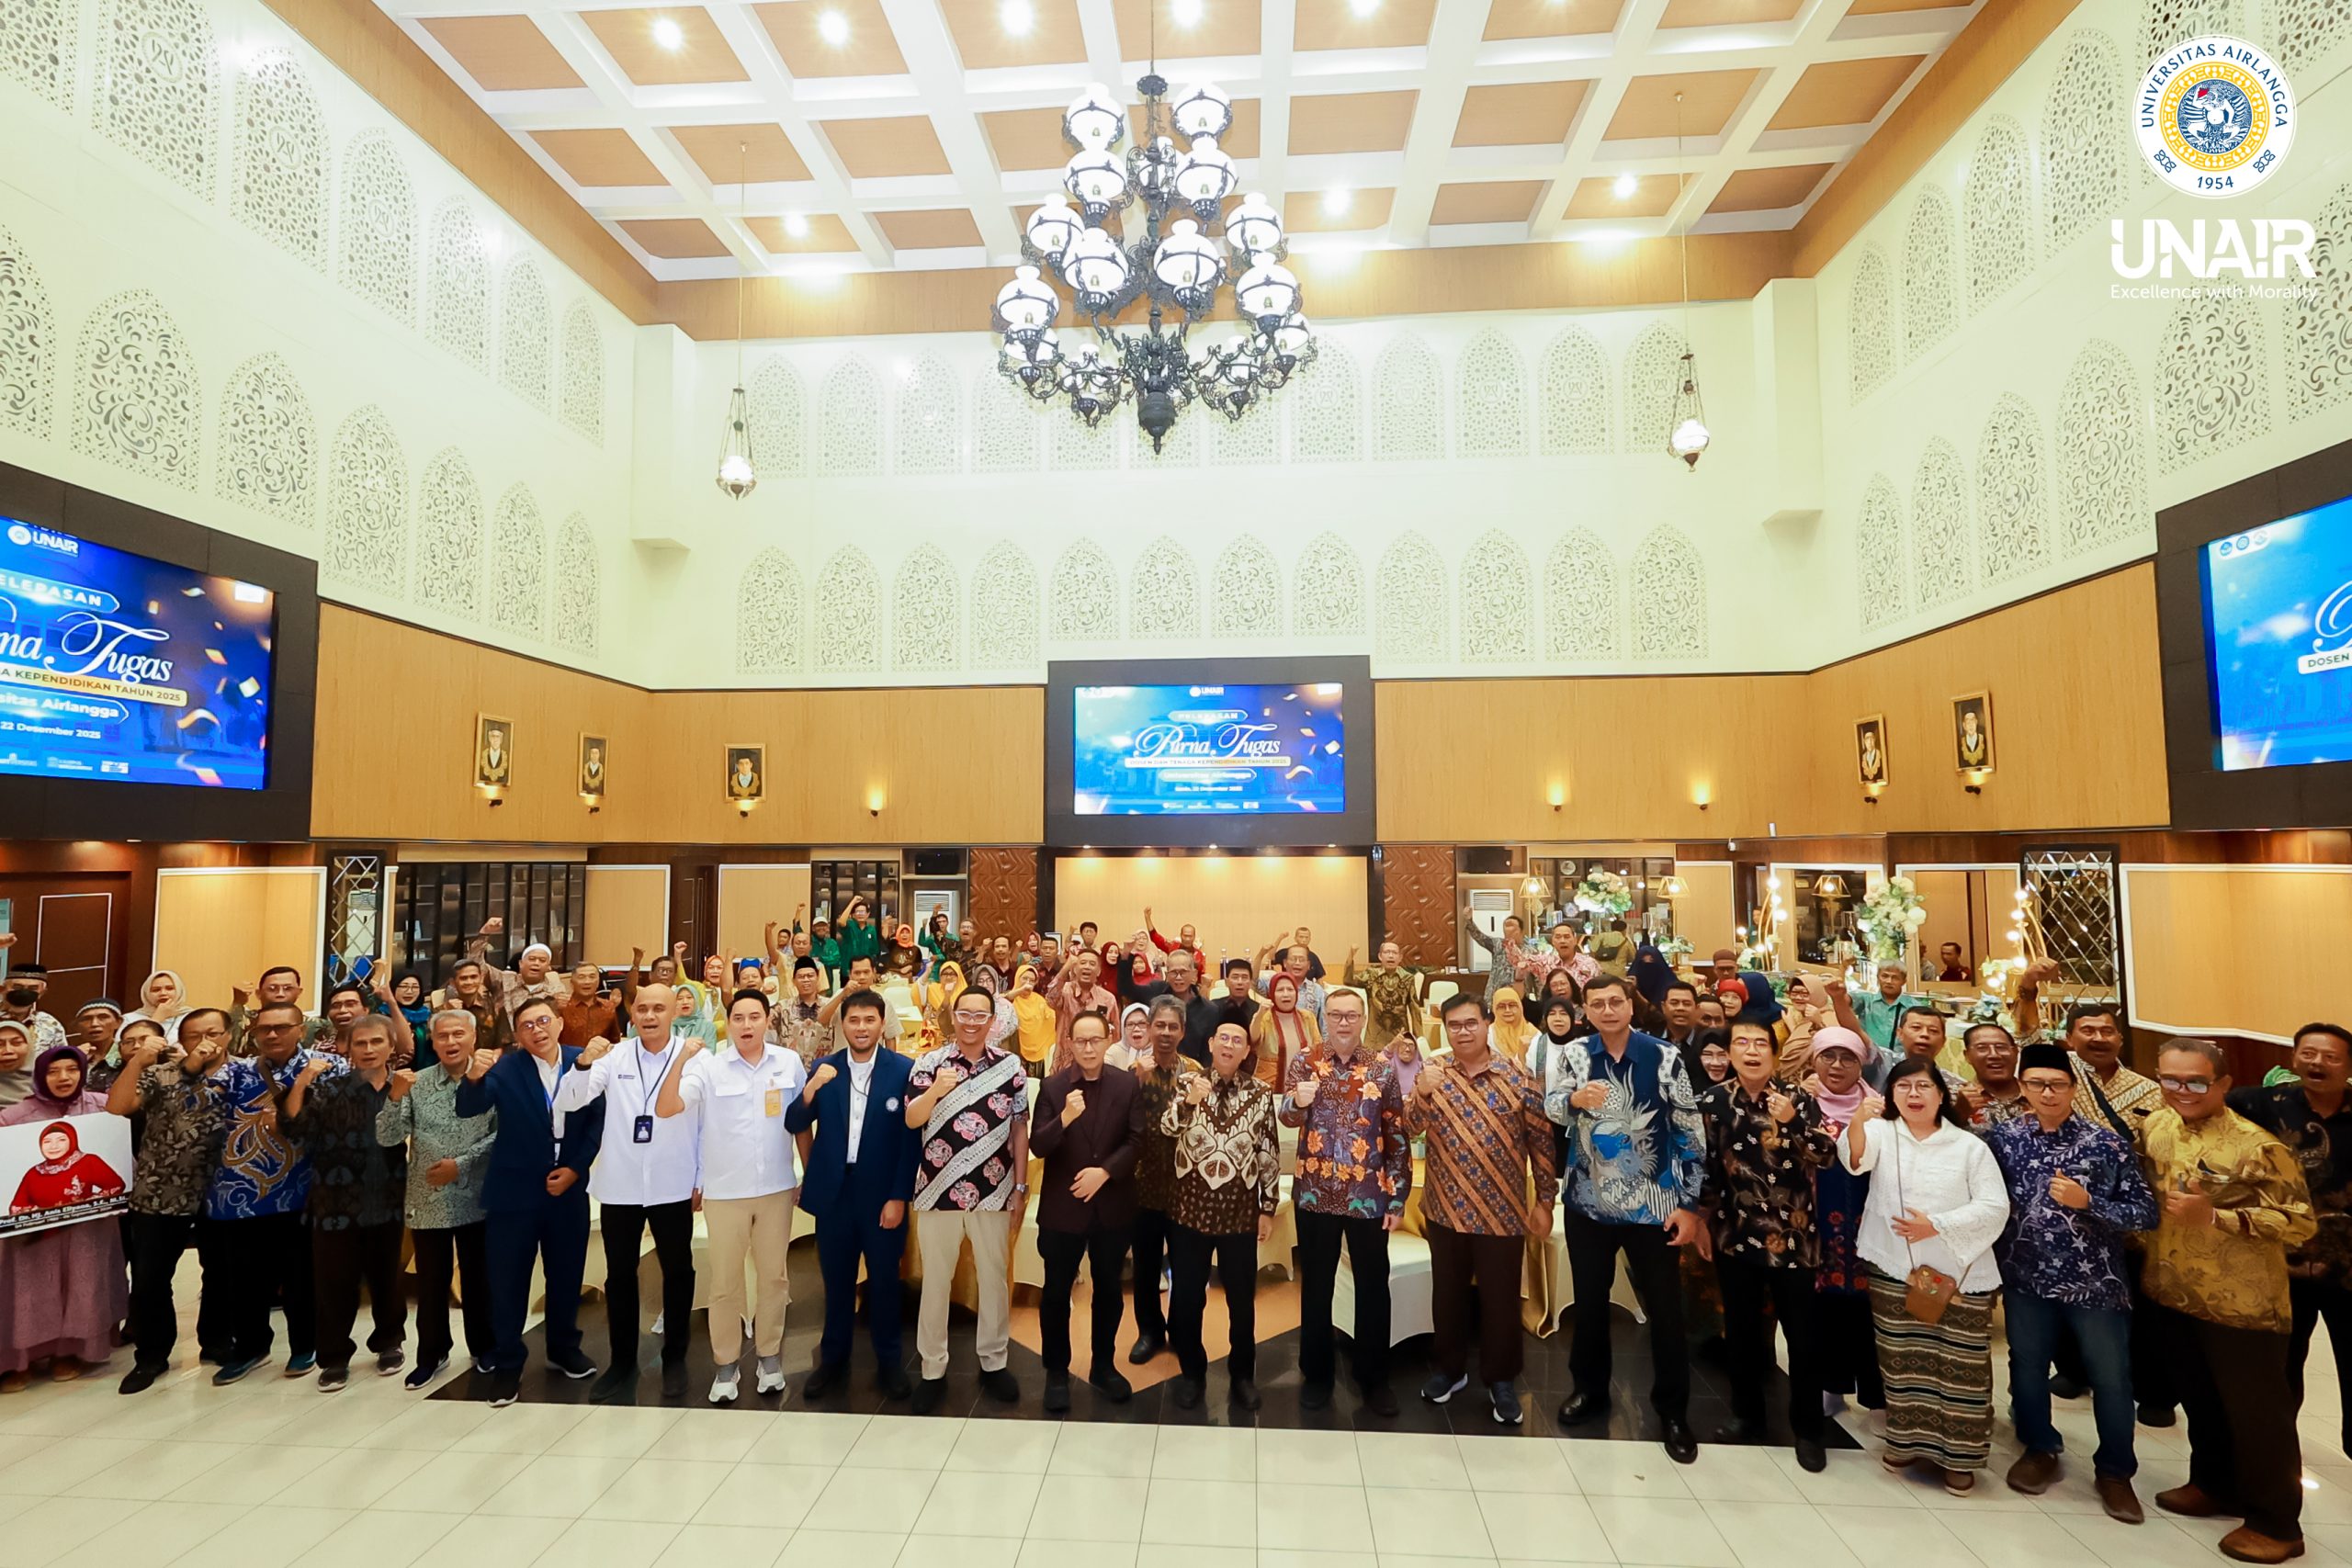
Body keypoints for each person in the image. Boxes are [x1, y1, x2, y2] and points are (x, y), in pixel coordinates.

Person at [2143, 1039, 2316, 1564]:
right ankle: (2213, 1485)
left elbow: (2300, 1223)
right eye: (2170, 1079)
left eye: (2196, 1081)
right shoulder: (2156, 1125)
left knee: (2258, 1416)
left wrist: (2218, 1217)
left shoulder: (2258, 1145)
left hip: (2243, 1303)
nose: (2182, 1090)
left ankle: (2276, 1522)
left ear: (2222, 1083)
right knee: (2202, 1401)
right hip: (2173, 1289)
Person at [1985, 1042, 2158, 1520]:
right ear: (2022, 1087)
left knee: (2111, 1378)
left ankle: (2116, 1471)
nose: (2048, 1093)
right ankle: (2039, 1447)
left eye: (2057, 1084)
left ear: (2073, 1087)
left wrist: (2090, 1204)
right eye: (2037, 1084)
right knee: (2027, 1367)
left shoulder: (2106, 1143)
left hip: (2095, 1283)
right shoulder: (2002, 1140)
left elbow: (2145, 1213)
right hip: (2025, 1277)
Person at [1546, 973, 1707, 1460]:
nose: (1608, 1010)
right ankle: (1590, 1390)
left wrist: (1689, 1205)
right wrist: (1573, 1100)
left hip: (1653, 1207)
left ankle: (1673, 1411)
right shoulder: (1575, 1054)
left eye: (1616, 1001)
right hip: (1588, 1204)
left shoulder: (1664, 1056)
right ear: (1586, 1010)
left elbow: (1689, 1131)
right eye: (1598, 1004)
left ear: (1631, 1006)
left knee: (1665, 1311)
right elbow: (1551, 1107)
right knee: (1590, 1305)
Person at [1839, 1055, 2010, 1494]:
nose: (1913, 1095)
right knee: (1901, 1362)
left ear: (1941, 1094)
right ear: (1891, 1094)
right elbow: (1855, 1160)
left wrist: (1936, 1225)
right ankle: (1905, 1443)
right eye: (1903, 1086)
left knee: (1960, 1368)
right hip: (1894, 1267)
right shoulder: (1882, 1133)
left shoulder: (1969, 1146)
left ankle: (1960, 1458)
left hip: (1958, 1274)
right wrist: (1858, 1119)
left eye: (1923, 1086)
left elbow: (1995, 1206)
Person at [1410, 991, 1557, 1426]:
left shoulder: (1517, 1076)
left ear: (1487, 1023)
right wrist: (1421, 1093)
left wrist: (1545, 1200)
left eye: (1471, 1023)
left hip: (1502, 1211)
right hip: (1445, 1208)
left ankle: (1502, 1379)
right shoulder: (1434, 1073)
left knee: (1500, 1300)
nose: (1463, 1032)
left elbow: (1541, 1143)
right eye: (1454, 1025)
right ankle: (1449, 1369)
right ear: (1445, 1029)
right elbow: (1407, 1128)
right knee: (1448, 1296)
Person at [1695, 1019, 1836, 1471]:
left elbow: (1826, 1155)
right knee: (1741, 1332)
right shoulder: (1714, 1101)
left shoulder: (1798, 1099)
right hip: (1735, 1235)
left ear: (1774, 1054)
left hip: (1795, 1239)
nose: (1752, 1051)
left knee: (1803, 1338)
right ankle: (1746, 1415)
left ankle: (1808, 1430)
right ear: (1730, 1053)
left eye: (1761, 1044)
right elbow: (1706, 1167)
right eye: (1742, 1043)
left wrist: (1793, 1122)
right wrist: (1701, 1221)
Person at [656, 988, 806, 1404]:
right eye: (738, 1018)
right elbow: (667, 1108)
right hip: (725, 1193)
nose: (746, 1025)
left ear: (767, 1020)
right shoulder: (709, 1067)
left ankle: (769, 1357)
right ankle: (725, 1363)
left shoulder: (789, 1063)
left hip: (776, 1188)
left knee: (774, 1278)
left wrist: (808, 1173)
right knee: (724, 1283)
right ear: (728, 1023)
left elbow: (801, 1122)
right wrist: (681, 1059)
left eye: (754, 1017)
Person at [554, 985, 701, 1401]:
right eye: (643, 1009)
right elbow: (569, 1100)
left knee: (678, 1270)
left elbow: (703, 1122)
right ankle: (621, 1362)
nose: (650, 1016)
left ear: (673, 1013)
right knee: (619, 1274)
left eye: (659, 1008)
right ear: (632, 1014)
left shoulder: (695, 1057)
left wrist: (701, 1177)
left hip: (673, 1182)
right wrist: (583, 1061)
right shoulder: (614, 1056)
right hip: (621, 1184)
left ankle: (675, 1357)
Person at [455, 997, 603, 1406]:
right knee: (508, 1282)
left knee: (566, 1274)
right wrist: (473, 1076)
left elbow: (597, 1121)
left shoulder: (583, 1061)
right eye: (527, 1025)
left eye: (543, 1021)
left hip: (567, 1188)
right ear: (518, 1035)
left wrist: (575, 1169)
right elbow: (469, 1108)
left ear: (559, 1023)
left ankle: (563, 1348)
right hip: (514, 1192)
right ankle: (508, 1363)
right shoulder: (505, 1067)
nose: (537, 1030)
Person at [1282, 987, 1410, 1416]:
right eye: (1335, 1014)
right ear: (1324, 1018)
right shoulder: (1305, 1061)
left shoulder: (1381, 1068)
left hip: (1367, 1196)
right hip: (1315, 1192)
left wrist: (1397, 1198)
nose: (1342, 1022)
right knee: (1316, 1286)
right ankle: (1316, 1374)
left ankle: (1373, 1378)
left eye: (1351, 1015)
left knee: (1373, 1286)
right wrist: (1296, 1102)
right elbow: (1287, 1116)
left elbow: (1396, 1134)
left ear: (1363, 1019)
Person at [786, 987, 918, 1402]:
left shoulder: (904, 1070)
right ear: (842, 1025)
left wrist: (899, 1196)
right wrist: (811, 1088)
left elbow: (910, 1141)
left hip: (882, 1195)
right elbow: (795, 1121)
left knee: (884, 1282)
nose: (861, 1028)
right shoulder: (825, 1067)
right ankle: (833, 1360)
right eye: (854, 1020)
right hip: (836, 1194)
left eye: (869, 1020)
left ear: (882, 1024)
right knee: (837, 1281)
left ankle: (890, 1363)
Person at [904, 987, 1030, 1412]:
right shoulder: (929, 1063)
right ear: (953, 1016)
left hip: (993, 1190)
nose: (972, 1022)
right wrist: (935, 1091)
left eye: (981, 1015)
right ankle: (932, 1367)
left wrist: (1020, 1187)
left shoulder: (1010, 1065)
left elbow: (1019, 1128)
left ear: (992, 1021)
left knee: (993, 1277)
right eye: (965, 1013)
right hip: (936, 1190)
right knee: (936, 1281)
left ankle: (994, 1361)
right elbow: (912, 1119)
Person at [2230, 1021, 2352, 1461]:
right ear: (2294, 1058)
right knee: (2278, 1372)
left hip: (2349, 1270)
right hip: (2280, 1267)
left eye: (2331, 1057)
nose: (2318, 1063)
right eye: (2309, 1053)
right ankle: (2274, 1463)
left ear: (2348, 1066)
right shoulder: (2258, 1104)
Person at [206, 999, 336, 1383]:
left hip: (302, 1190)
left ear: (301, 1030)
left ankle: (305, 1345)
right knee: (244, 1278)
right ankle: (250, 1347)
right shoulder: (235, 1071)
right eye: (265, 1029)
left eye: (282, 1027)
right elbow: (200, 1100)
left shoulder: (329, 1067)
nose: (273, 1034)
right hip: (238, 1192)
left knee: (301, 1275)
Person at [280, 1013, 408, 1392]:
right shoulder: (329, 1088)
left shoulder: (405, 1087)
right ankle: (334, 1356)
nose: (368, 1049)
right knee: (334, 1285)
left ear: (391, 1046)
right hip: (334, 1204)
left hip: (389, 1197)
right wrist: (303, 1080)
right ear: (347, 1049)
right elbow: (293, 1127)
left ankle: (389, 1342)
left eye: (376, 1042)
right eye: (360, 1043)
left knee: (387, 1279)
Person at [107, 1006, 232, 1392]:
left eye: (213, 1033)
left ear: (229, 1035)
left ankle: (216, 1341)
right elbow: (117, 1107)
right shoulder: (160, 1073)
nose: (205, 1041)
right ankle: (152, 1356)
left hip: (223, 1191)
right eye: (194, 1035)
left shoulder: (242, 1075)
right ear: (181, 1040)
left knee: (222, 1271)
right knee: (150, 1279)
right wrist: (138, 1060)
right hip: (159, 1191)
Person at [1161, 1018, 1281, 1411]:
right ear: (1211, 1044)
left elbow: (1267, 1151)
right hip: (1189, 1211)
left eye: (1237, 1041)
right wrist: (1190, 1101)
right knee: (1188, 1297)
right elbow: (1167, 1128)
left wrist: (1267, 1207)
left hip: (1239, 1214)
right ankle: (1192, 1373)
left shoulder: (1260, 1093)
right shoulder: (1186, 1083)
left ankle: (1242, 1375)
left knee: (1241, 1300)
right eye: (1223, 1038)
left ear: (1246, 1051)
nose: (1229, 1045)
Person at [377, 1008, 495, 1390]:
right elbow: (387, 1137)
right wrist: (394, 1096)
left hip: (479, 1194)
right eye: (442, 1036)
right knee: (431, 1283)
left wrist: (461, 1165)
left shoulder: (493, 1078)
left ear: (473, 1038)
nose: (450, 1042)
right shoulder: (417, 1081)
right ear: (433, 1041)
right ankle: (431, 1354)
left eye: (458, 1034)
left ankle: (484, 1347)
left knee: (478, 1279)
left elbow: (502, 1134)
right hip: (429, 1197)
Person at [0, 1045, 127, 1389]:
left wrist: (98, 1200)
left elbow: (116, 1174)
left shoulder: (103, 1106)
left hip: (88, 1225)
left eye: (72, 1069)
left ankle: (69, 1352)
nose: (64, 1078)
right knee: (29, 1286)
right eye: (53, 1071)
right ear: (39, 1075)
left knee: (82, 1281)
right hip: (33, 1230)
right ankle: (19, 1358)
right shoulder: (14, 1117)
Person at [1031, 1007, 1137, 1413]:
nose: (1089, 1048)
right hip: (1063, 1210)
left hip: (1112, 1206)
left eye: (1096, 1040)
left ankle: (1103, 1366)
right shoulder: (1053, 1087)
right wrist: (1065, 1117)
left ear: (1108, 1040)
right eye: (1081, 1041)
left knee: (1109, 1291)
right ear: (1070, 1044)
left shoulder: (1127, 1084)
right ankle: (1056, 1372)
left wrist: (1105, 1172)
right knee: (1056, 1293)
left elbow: (1137, 1140)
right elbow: (1039, 1145)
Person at [1803, 1027, 1884, 1421]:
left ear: (1861, 1064)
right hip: (1816, 1224)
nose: (1837, 1066)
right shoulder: (1800, 1104)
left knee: (1872, 1310)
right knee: (1824, 1308)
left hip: (1871, 1225)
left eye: (1848, 1057)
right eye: (1828, 1056)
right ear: (1813, 1060)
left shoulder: (1880, 1108)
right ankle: (1830, 1386)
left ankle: (1878, 1394)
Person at [1125, 997, 1200, 1368]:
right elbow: (1116, 1115)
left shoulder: (1195, 1072)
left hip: (1185, 1187)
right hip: (1143, 1184)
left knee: (1186, 1269)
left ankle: (1182, 1332)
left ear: (1183, 1031)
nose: (1166, 1033)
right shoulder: (1133, 1071)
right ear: (1149, 1029)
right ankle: (1149, 1332)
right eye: (1160, 1025)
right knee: (1146, 1266)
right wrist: (1133, 1081)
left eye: (1173, 1026)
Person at [1343, 942, 1423, 1055]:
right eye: (1387, 952)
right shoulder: (1371, 974)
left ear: (1400, 957)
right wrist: (1351, 956)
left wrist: (1418, 1039)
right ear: (1380, 956)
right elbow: (1348, 981)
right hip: (1374, 1038)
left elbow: (1415, 1010)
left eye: (1394, 953)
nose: (1391, 956)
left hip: (1399, 1037)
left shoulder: (1407, 978)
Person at [1047, 947, 1118, 1071]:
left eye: (1092, 964)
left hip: (1096, 1066)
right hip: (1064, 1065)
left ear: (1099, 971)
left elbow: (1116, 1037)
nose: (1087, 967)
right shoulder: (1065, 991)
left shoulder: (1108, 999)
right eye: (1083, 963)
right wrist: (1065, 968)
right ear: (1075, 968)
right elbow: (1050, 999)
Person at [1250, 970, 1320, 1089]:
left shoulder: (1307, 1017)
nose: (1286, 994)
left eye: (1290, 989)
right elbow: (1253, 1039)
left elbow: (1318, 1050)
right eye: (1280, 990)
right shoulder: (1265, 1017)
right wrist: (1259, 1016)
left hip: (1303, 1088)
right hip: (1269, 1088)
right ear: (1272, 994)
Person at [1958, 1021, 2028, 1126]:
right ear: (1967, 1056)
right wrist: (1959, 1113)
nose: (1994, 1055)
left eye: (2001, 1047)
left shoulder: (2038, 1093)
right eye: (1982, 1048)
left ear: (2016, 1052)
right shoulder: (1953, 1098)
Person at [1255, 938, 1329, 1031]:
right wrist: (1260, 955)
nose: (1297, 963)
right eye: (1293, 959)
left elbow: (1325, 1026)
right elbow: (1253, 981)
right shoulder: (1273, 983)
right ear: (1285, 963)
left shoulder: (1317, 991)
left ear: (1308, 965)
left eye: (1301, 960)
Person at [0, 965, 66, 1056]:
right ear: (2, 989)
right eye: (17, 987)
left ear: (41, 993)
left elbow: (61, 1059)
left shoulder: (50, 1024)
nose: (24, 993)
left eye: (33, 988)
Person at [558, 960, 619, 1047]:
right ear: (572, 983)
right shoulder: (561, 1006)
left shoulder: (608, 1007)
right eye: (581, 977)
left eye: (592, 977)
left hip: (600, 1055)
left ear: (598, 982)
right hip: (568, 1055)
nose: (587, 982)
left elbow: (614, 1041)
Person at [123, 969, 188, 1044]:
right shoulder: (129, 1019)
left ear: (179, 991)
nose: (163, 993)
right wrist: (157, 1019)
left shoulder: (191, 1017)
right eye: (156, 990)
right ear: (146, 994)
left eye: (170, 988)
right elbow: (124, 1046)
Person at [1487, 986, 1537, 1065]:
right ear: (1494, 1010)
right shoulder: (1488, 1034)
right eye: (1501, 1007)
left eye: (1512, 1005)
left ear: (1520, 1008)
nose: (1507, 1010)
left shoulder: (1534, 1034)